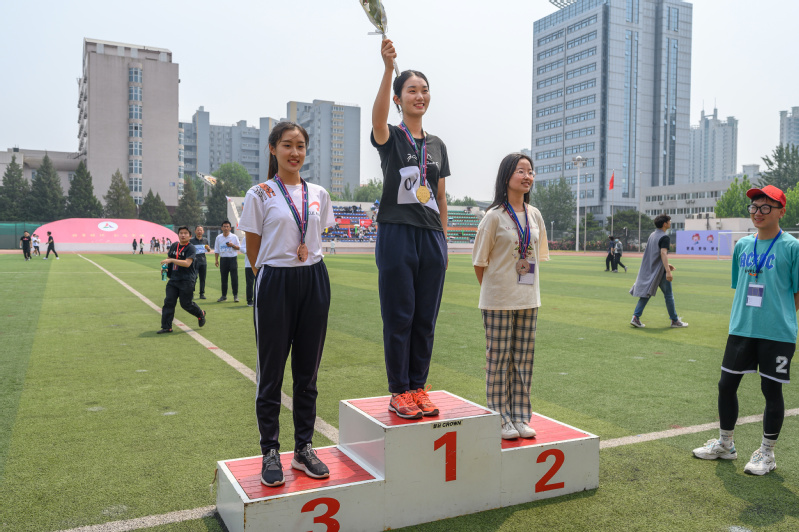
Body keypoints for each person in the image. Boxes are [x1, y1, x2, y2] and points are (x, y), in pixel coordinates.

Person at [239, 121, 336, 487]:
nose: (295, 152)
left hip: (314, 279)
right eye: (287, 145)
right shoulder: (260, 193)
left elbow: (315, 235)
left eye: (300, 146)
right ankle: (270, 451)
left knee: (307, 374)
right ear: (273, 149)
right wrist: (270, 274)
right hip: (275, 282)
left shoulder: (319, 193)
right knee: (271, 374)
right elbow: (253, 249)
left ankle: (303, 449)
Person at [692, 186, 799, 475]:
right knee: (726, 385)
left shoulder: (792, 247)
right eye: (753, 207)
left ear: (781, 211)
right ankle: (725, 444)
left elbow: (797, 292)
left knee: (771, 390)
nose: (757, 213)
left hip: (776, 333)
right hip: (741, 328)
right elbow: (740, 286)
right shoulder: (742, 246)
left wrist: (783, 318)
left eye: (765, 207)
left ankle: (767, 453)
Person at [371, 38, 450, 419]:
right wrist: (389, 69)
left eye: (424, 90)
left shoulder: (437, 145)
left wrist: (444, 241)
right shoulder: (390, 136)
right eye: (412, 90)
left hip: (431, 237)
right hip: (397, 233)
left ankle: (418, 386)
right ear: (399, 99)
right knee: (399, 315)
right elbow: (377, 121)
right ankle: (399, 390)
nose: (420, 96)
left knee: (425, 318)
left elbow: (441, 196)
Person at [473, 153, 549, 440]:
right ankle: (500, 417)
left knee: (523, 361)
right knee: (498, 361)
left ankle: (520, 416)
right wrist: (495, 291)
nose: (527, 176)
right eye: (521, 171)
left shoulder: (535, 215)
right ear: (506, 176)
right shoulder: (493, 217)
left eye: (530, 171)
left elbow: (536, 258)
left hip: (529, 299)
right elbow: (479, 263)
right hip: (498, 300)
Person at [629, 215, 687, 328]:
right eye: (669, 221)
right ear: (665, 224)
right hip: (660, 272)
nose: (670, 222)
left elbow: (654, 253)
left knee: (646, 294)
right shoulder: (664, 237)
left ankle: (635, 317)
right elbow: (663, 253)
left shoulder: (652, 235)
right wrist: (667, 271)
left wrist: (666, 265)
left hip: (651, 270)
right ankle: (675, 320)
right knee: (668, 296)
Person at [158, 226, 206, 334]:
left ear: (190, 236)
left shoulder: (191, 248)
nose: (183, 235)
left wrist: (172, 260)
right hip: (174, 279)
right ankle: (166, 327)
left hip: (187, 280)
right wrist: (164, 268)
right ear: (178, 234)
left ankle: (200, 313)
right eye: (181, 233)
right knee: (169, 302)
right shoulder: (174, 245)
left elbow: (187, 263)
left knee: (186, 304)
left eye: (185, 233)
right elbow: (168, 259)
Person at [214, 220, 240, 302]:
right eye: (224, 226)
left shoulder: (234, 237)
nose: (226, 228)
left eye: (227, 226)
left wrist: (232, 245)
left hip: (232, 259)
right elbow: (216, 250)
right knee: (224, 278)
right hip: (223, 259)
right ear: (221, 228)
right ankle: (224, 296)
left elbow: (239, 247)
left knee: (234, 278)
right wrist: (216, 260)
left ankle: (235, 296)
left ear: (230, 228)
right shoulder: (218, 237)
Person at [190, 225, 211, 300]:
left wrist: (208, 249)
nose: (199, 231)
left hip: (203, 261)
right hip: (194, 262)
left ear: (203, 232)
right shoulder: (191, 241)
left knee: (202, 278)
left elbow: (208, 250)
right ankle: (191, 293)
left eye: (201, 230)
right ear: (195, 231)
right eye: (198, 230)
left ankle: (202, 294)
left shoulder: (205, 240)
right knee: (194, 278)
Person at [239, 237, 255, 307]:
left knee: (260, 283)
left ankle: (258, 300)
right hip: (249, 264)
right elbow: (242, 248)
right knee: (250, 283)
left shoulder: (263, 236)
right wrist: (250, 251)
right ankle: (249, 301)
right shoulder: (247, 237)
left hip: (260, 264)